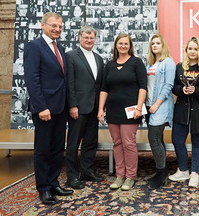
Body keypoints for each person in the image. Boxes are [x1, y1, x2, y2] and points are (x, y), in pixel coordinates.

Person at [23, 12, 73, 205]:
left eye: (60, 27)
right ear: (42, 25)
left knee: (57, 149)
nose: (57, 29)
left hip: (60, 108)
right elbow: (32, 79)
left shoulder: (59, 48)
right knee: (43, 150)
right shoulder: (34, 47)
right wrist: (42, 107)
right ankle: (43, 188)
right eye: (53, 26)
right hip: (44, 109)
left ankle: (53, 183)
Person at [98, 33, 147, 191]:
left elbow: (143, 87)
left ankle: (130, 176)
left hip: (130, 111)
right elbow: (104, 89)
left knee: (128, 143)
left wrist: (139, 108)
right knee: (117, 143)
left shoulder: (136, 63)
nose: (123, 46)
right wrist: (100, 109)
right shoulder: (110, 65)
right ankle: (120, 176)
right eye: (120, 43)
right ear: (116, 45)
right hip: (113, 110)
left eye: (126, 43)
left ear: (130, 46)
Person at [168, 37, 199, 188]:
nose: (192, 51)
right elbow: (173, 87)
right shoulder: (180, 67)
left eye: (195, 49)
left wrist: (196, 91)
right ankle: (183, 170)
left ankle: (194, 173)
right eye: (190, 49)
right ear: (186, 50)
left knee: (197, 143)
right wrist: (181, 90)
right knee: (177, 140)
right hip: (182, 110)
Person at [65, 26, 105, 189]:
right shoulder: (71, 56)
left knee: (90, 142)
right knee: (73, 144)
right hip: (78, 108)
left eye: (91, 38)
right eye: (86, 37)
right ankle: (72, 177)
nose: (89, 40)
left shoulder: (99, 58)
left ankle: (87, 171)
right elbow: (70, 83)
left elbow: (99, 84)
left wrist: (101, 107)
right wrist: (72, 105)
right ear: (79, 38)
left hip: (94, 107)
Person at [145, 34, 176, 189]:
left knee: (154, 139)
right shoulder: (150, 63)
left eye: (158, 43)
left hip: (160, 106)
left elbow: (168, 85)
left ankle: (161, 173)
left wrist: (156, 104)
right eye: (153, 43)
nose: (155, 45)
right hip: (149, 106)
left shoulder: (168, 62)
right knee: (159, 140)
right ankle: (161, 171)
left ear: (163, 45)